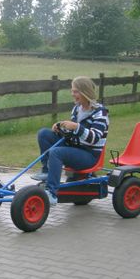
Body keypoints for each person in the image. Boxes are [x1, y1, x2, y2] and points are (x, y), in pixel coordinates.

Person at [31, 76, 109, 205]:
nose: (72, 94)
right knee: (44, 133)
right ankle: (46, 171)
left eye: (76, 91)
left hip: (89, 155)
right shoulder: (77, 109)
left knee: (56, 152)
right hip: (75, 148)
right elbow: (73, 133)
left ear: (85, 92)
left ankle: (51, 193)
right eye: (72, 91)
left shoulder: (100, 113)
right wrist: (61, 127)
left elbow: (94, 138)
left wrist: (76, 127)